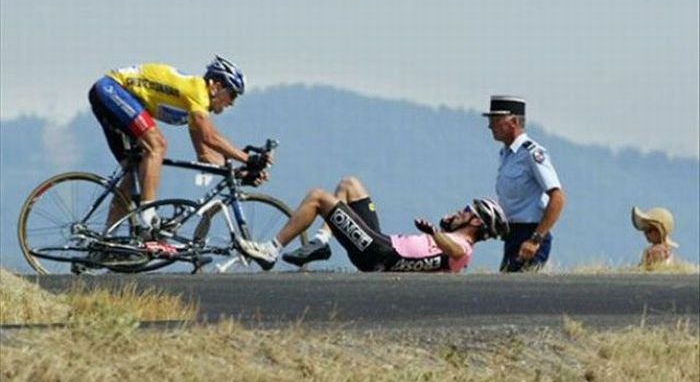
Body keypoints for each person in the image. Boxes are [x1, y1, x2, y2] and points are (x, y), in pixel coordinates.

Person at [89, 55, 270, 229]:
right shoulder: (198, 91)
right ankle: (148, 214)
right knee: (157, 145)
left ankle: (106, 239)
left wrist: (240, 173)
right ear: (216, 86)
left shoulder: (195, 108)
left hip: (108, 94)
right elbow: (210, 137)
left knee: (134, 170)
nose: (232, 103)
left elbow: (205, 155)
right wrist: (248, 158)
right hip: (111, 89)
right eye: (232, 95)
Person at [235, 175, 510, 272]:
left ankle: (272, 249)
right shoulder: (459, 241)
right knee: (349, 184)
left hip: (378, 252)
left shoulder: (464, 248)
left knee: (318, 197)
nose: (458, 212)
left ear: (475, 221)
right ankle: (321, 241)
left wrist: (435, 234)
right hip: (380, 243)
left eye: (465, 211)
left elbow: (455, 250)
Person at [482, 95, 565, 272]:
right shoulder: (506, 154)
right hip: (511, 233)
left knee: (519, 293)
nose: (490, 126)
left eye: (496, 120)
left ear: (513, 122)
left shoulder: (532, 154)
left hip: (530, 233)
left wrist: (536, 239)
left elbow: (557, 197)